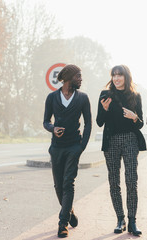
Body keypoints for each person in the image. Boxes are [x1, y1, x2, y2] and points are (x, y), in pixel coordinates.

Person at [96, 65, 146, 236]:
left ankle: (132, 221)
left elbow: (140, 124)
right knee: (114, 182)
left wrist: (135, 117)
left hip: (130, 140)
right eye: (114, 75)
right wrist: (104, 109)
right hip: (111, 142)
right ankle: (120, 219)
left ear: (126, 77)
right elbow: (99, 122)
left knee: (131, 180)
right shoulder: (105, 95)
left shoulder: (135, 96)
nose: (116, 78)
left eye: (120, 75)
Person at [43, 64, 92, 238]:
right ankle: (69, 211)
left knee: (68, 183)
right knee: (58, 186)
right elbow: (46, 121)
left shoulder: (83, 98)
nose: (81, 79)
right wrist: (52, 128)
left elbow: (88, 124)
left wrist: (81, 146)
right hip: (56, 148)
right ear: (69, 78)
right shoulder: (52, 97)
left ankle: (62, 223)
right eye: (78, 76)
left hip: (73, 147)